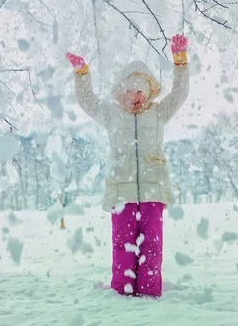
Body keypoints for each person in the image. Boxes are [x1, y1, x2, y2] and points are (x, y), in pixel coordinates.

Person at [65, 34, 189, 297]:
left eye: (140, 92)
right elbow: (87, 102)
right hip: (121, 193)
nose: (135, 97)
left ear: (148, 94)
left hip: (153, 191)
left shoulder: (158, 113)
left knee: (152, 246)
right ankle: (122, 292)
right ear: (122, 92)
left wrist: (180, 61)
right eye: (130, 91)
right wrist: (82, 74)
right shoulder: (111, 114)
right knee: (123, 245)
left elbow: (180, 94)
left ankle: (148, 291)